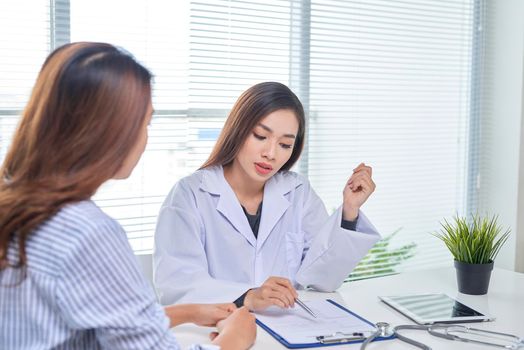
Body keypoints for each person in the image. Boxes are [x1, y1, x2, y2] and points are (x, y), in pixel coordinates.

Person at [0, 42, 255, 350]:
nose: (145, 137)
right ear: (109, 130)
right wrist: (234, 341)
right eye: (145, 122)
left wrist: (187, 312)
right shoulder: (88, 232)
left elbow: (67, 323)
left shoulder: (15, 201)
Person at [154, 82, 381, 311]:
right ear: (238, 130)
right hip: (221, 332)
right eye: (261, 136)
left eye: (284, 144)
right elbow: (177, 285)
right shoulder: (190, 195)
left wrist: (350, 210)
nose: (270, 154)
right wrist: (247, 296)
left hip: (287, 329)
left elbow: (323, 277)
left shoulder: (298, 192)